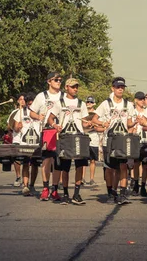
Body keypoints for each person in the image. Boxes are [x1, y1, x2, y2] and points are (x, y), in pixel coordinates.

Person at [48, 78, 92, 205]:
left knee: (80, 165)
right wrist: (55, 126)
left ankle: (76, 194)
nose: (75, 89)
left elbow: (84, 122)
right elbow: (50, 118)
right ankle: (66, 194)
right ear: (66, 87)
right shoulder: (60, 103)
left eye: (76, 87)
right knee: (65, 167)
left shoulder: (81, 103)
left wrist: (89, 124)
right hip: (65, 137)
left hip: (78, 136)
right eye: (73, 87)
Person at [92, 77, 136, 205]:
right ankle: (111, 193)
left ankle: (122, 194)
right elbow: (94, 119)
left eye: (122, 87)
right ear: (113, 88)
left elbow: (128, 123)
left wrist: (134, 123)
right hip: (109, 140)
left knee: (123, 167)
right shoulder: (106, 103)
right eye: (118, 87)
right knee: (110, 168)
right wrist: (103, 123)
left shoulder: (128, 105)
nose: (120, 89)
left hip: (122, 139)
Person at [29, 71, 63, 202]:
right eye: (56, 80)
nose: (59, 82)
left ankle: (55, 189)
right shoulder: (41, 96)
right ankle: (45, 188)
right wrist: (38, 116)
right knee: (46, 161)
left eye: (60, 80)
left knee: (57, 161)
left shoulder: (63, 96)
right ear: (49, 81)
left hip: (60, 131)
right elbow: (31, 113)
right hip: (46, 131)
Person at [14, 93, 41, 196]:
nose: (31, 106)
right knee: (25, 164)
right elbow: (15, 128)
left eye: (32, 104)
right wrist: (18, 127)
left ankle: (32, 185)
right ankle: (25, 186)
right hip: (25, 142)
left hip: (36, 142)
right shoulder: (20, 112)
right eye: (29, 104)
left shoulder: (39, 112)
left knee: (35, 164)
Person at [131, 91, 147, 197]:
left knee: (145, 165)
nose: (142, 101)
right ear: (135, 100)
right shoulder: (132, 112)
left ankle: (143, 186)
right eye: (140, 99)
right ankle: (135, 184)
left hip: (145, 140)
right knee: (136, 164)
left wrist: (144, 124)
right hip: (135, 140)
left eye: (144, 99)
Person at [7, 95, 24, 187]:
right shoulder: (14, 112)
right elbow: (9, 126)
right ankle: (18, 176)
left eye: (24, 99)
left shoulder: (30, 112)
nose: (22, 101)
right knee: (16, 159)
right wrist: (16, 127)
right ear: (18, 101)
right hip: (17, 138)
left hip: (27, 140)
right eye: (20, 99)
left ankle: (26, 179)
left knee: (27, 160)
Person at [84, 96, 99, 186]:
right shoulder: (83, 112)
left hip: (94, 137)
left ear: (94, 103)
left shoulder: (96, 113)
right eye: (88, 102)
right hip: (84, 136)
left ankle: (92, 178)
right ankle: (81, 178)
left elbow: (98, 124)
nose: (89, 104)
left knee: (92, 160)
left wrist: (93, 125)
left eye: (91, 102)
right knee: (83, 159)